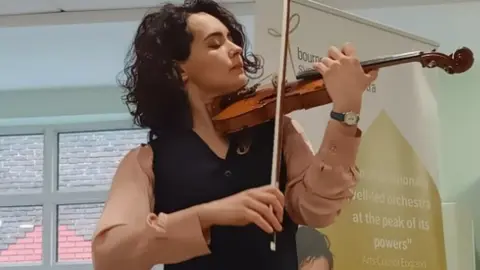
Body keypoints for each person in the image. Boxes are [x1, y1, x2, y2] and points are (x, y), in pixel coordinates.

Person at [91, 0, 378, 270]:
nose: (236, 49)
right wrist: (208, 215)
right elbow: (109, 256)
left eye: (232, 39)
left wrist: (346, 111)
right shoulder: (146, 160)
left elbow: (318, 211)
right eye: (215, 43)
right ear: (179, 71)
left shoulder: (279, 131)